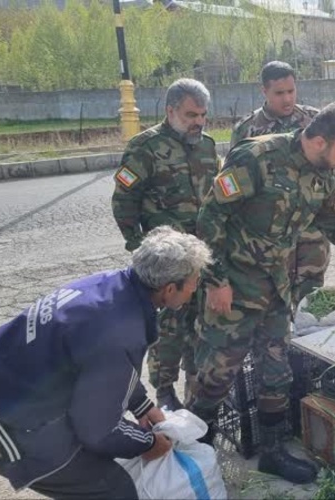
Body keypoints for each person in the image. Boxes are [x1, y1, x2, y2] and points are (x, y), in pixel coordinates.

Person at [190, 101, 335, 485]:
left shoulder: (324, 175)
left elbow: (334, 225)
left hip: (276, 290)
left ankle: (274, 452)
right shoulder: (256, 157)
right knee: (216, 377)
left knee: (276, 374)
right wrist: (215, 280)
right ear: (319, 140)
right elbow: (209, 218)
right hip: (232, 291)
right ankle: (196, 458)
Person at [0, 227, 212, 499]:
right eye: (194, 281)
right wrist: (150, 443)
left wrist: (142, 405)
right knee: (112, 491)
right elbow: (98, 431)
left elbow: (105, 371)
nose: (194, 289)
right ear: (168, 288)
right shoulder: (119, 332)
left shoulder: (111, 285)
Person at [111, 78, 220, 411]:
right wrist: (139, 247)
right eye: (190, 114)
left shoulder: (207, 145)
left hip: (199, 256)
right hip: (165, 262)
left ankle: (195, 387)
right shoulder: (145, 147)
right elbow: (123, 202)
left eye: (202, 114)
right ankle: (164, 390)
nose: (198, 121)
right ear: (170, 110)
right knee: (167, 330)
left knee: (200, 324)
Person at [230, 60, 334, 306]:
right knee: (272, 307)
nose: (287, 99)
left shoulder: (317, 122)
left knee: (312, 305)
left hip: (311, 238)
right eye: (279, 93)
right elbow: (236, 188)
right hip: (269, 243)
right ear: (263, 91)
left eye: (291, 91)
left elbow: (332, 175)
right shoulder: (247, 130)